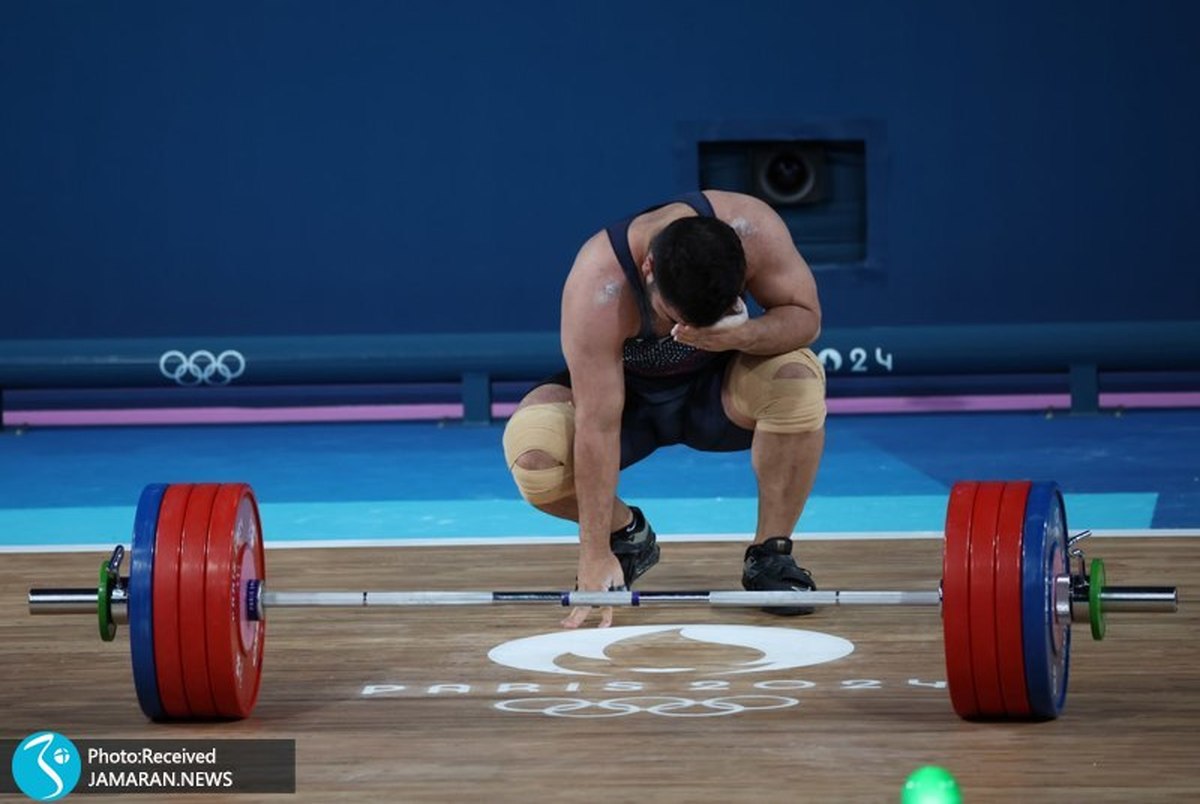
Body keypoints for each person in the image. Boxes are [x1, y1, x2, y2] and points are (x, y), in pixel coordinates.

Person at [502, 189, 826, 628]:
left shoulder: (753, 227)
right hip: (628, 405)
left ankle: (770, 555)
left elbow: (806, 317)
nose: (684, 330)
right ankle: (628, 536)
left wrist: (740, 335)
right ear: (648, 269)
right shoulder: (598, 283)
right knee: (535, 456)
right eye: (673, 315)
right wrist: (594, 550)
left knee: (798, 381)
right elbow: (597, 424)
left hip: (717, 394)